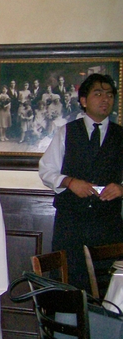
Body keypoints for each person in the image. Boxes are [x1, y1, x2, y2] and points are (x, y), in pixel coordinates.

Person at [39, 73, 123, 290]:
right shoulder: (66, 132)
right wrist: (69, 182)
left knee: (107, 286)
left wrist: (121, 188)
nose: (105, 99)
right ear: (84, 101)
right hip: (71, 224)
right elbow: (46, 170)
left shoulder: (120, 135)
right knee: (69, 284)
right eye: (98, 94)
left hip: (108, 225)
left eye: (109, 95)